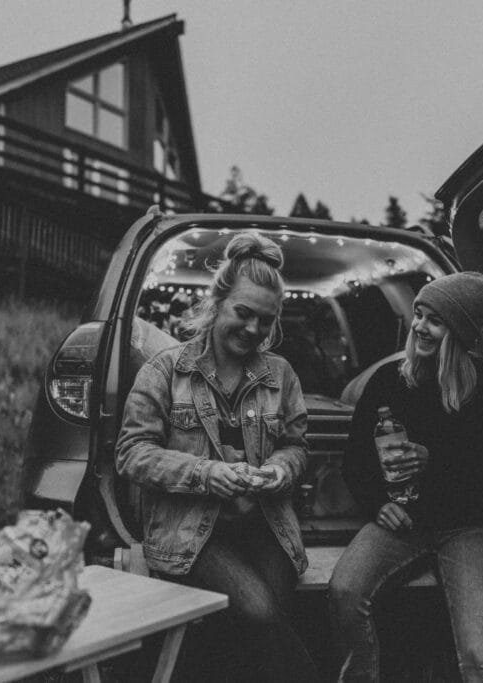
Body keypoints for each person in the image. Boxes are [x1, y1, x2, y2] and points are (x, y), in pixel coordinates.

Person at [116, 231, 319, 682]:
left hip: (266, 524)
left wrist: (279, 470)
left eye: (265, 321)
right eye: (243, 314)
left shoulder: (280, 374)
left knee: (264, 626)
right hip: (192, 532)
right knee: (263, 613)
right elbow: (131, 453)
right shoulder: (165, 371)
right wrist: (207, 473)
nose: (253, 330)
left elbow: (296, 445)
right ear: (218, 302)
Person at [329, 272, 483, 682]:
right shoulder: (389, 381)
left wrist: (434, 461)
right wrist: (378, 504)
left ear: (458, 332)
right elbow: (356, 461)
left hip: (469, 527)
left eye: (434, 320)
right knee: (345, 592)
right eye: (418, 314)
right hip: (404, 520)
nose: (419, 326)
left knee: (481, 652)